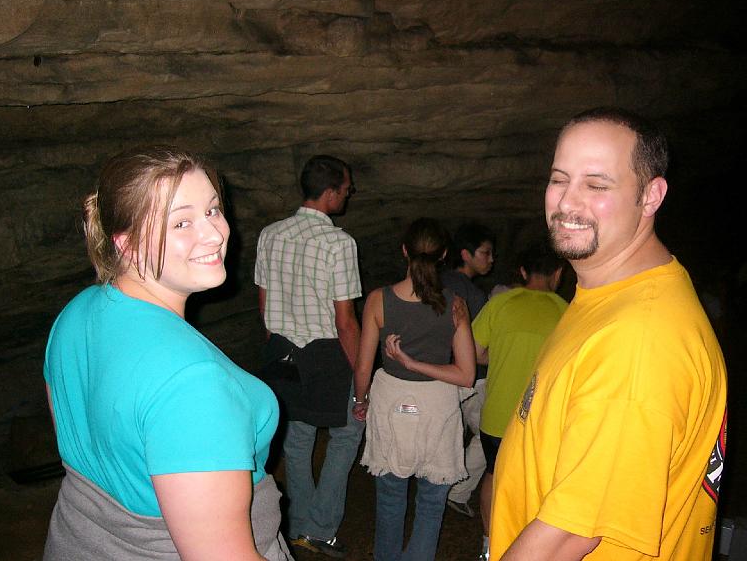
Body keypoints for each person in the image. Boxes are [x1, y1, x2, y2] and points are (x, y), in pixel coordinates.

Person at [490, 108, 727, 561]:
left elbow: (569, 535)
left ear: (651, 195)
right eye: (560, 179)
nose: (567, 203)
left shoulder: (641, 340)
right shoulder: (610, 295)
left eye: (597, 185)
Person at [43, 147, 291, 560]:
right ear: (127, 243)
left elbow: (95, 448)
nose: (215, 234)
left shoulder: (76, 314)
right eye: (181, 222)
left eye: (213, 210)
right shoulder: (195, 385)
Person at [255, 155, 364, 558]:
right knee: (347, 434)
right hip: (327, 354)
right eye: (347, 188)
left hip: (282, 351)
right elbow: (345, 321)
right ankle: (318, 528)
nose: (349, 194)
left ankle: (301, 524)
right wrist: (362, 376)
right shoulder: (339, 243)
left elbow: (264, 310)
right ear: (331, 191)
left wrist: (279, 348)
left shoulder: (271, 234)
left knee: (297, 442)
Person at [353, 217, 476, 561]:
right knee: (432, 503)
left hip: (392, 401)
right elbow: (466, 375)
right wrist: (420, 365)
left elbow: (364, 366)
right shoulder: (454, 303)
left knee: (390, 499)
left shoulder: (379, 299)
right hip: (437, 404)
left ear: (404, 251)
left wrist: (360, 401)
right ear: (444, 256)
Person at [471, 240, 567, 560]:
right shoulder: (568, 312)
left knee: (493, 475)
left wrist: (501, 356)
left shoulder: (500, 303)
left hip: (498, 415)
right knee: (540, 485)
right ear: (557, 274)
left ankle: (489, 544)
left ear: (523, 272)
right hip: (543, 421)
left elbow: (473, 353)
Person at [441, 223, 496, 518]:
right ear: (465, 254)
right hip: (472, 375)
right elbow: (475, 342)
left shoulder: (442, 282)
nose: (491, 259)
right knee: (490, 432)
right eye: (485, 253)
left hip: (446, 371)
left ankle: (442, 486)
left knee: (452, 432)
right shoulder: (468, 293)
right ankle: (456, 491)